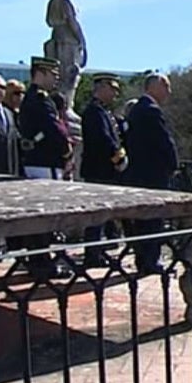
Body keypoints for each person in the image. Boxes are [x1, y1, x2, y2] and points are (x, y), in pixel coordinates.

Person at [15, 57, 74, 279]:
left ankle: (38, 260)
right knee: (44, 215)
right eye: (53, 74)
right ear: (41, 73)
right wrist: (66, 151)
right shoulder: (40, 99)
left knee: (39, 216)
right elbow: (54, 129)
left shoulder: (34, 98)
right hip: (44, 162)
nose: (56, 79)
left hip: (37, 161)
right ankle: (41, 264)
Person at [124, 73, 178, 275]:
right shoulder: (151, 110)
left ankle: (142, 259)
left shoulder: (136, 109)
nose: (169, 92)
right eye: (166, 86)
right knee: (153, 219)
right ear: (155, 86)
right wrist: (173, 164)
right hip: (153, 174)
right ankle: (151, 261)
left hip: (137, 173)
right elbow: (163, 141)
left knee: (141, 221)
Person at [80, 73, 129, 266]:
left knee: (101, 216)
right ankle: (92, 255)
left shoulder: (103, 111)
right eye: (112, 89)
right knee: (96, 216)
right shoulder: (94, 111)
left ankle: (96, 252)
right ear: (101, 87)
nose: (115, 93)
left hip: (103, 170)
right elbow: (103, 140)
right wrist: (118, 158)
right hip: (98, 171)